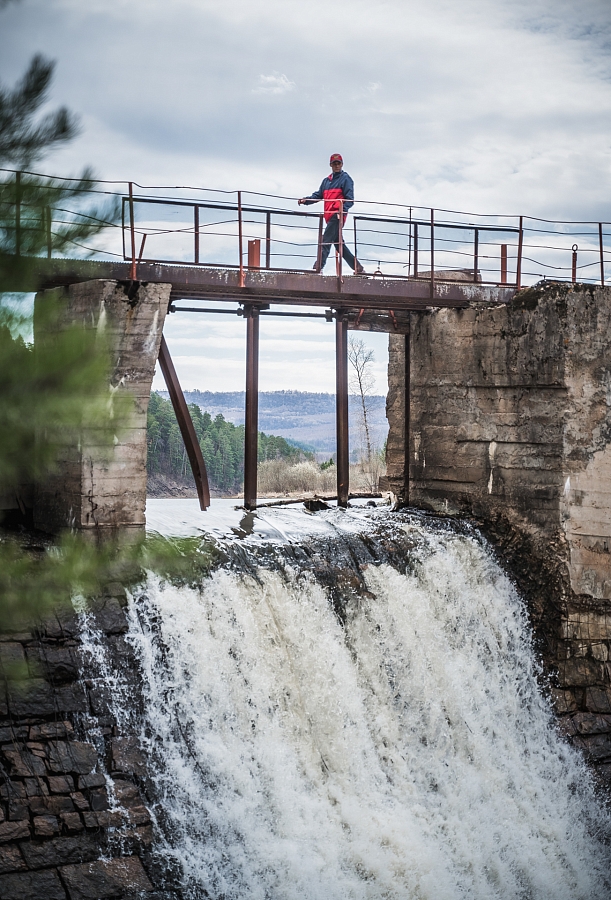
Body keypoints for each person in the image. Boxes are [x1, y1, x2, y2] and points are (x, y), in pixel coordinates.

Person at [299, 154, 365, 274]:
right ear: (330, 165)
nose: (336, 166)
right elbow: (318, 195)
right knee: (340, 246)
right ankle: (359, 269)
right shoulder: (326, 181)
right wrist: (305, 200)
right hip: (329, 217)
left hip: (337, 216)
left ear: (342, 164)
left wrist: (341, 211)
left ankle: (318, 268)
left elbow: (350, 200)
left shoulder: (346, 179)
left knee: (326, 240)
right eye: (334, 164)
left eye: (338, 163)